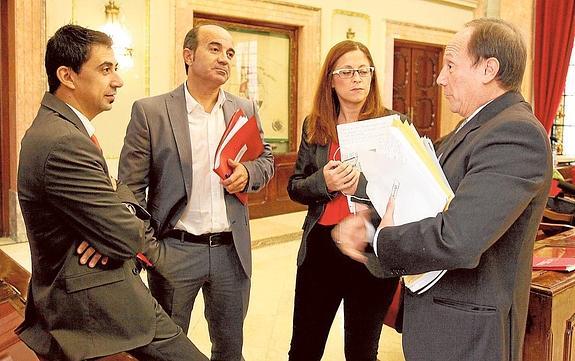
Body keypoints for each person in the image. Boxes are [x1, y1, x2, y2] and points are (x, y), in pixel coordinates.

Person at [333, 18, 552, 361]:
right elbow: (423, 199)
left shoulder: (515, 134)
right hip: (442, 323)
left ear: (488, 69)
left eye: (450, 65)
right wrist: (371, 224)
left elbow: (459, 238)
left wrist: (380, 241)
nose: (440, 78)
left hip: (469, 335)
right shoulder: (473, 128)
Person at [16, 25, 207, 361]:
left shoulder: (64, 129)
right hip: (93, 304)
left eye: (116, 69)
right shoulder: (63, 141)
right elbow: (127, 238)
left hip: (90, 292)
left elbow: (117, 192)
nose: (117, 80)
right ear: (68, 76)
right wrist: (112, 227)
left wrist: (108, 221)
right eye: (105, 69)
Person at [118, 24, 274, 360]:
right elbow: (130, 190)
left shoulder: (243, 109)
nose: (224, 59)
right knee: (165, 349)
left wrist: (248, 173)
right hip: (175, 250)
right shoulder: (152, 112)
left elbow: (266, 159)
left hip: (230, 253)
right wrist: (151, 249)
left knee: (230, 349)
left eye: (230, 53)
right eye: (215, 49)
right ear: (188, 55)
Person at [286, 40, 402, 361]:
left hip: (370, 248)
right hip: (322, 248)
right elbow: (295, 187)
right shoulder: (316, 125)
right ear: (331, 80)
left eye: (364, 71)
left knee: (362, 352)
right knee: (304, 348)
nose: (357, 79)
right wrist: (324, 182)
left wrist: (361, 187)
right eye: (348, 71)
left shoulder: (393, 125)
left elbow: (404, 191)